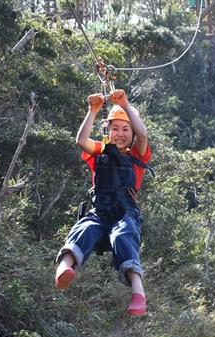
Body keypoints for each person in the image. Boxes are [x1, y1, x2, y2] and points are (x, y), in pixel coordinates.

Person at [54, 89, 151, 316]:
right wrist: (93, 111)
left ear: (133, 133)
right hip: (100, 210)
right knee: (85, 228)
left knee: (123, 235)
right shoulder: (100, 151)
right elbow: (81, 140)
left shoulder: (137, 154)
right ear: (107, 131)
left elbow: (144, 134)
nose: (120, 133)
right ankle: (64, 268)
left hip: (125, 212)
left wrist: (126, 105)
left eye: (126, 129)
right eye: (115, 128)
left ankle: (138, 292)